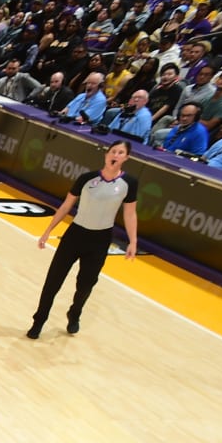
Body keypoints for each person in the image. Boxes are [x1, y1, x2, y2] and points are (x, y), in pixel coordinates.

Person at [27, 139, 139, 338]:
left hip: (100, 239)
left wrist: (133, 241)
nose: (116, 155)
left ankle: (75, 313)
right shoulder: (86, 178)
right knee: (53, 280)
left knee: (86, 284)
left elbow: (130, 214)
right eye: (113, 151)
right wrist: (47, 231)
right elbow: (66, 206)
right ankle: (39, 320)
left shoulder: (129, 183)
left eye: (121, 152)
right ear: (106, 154)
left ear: (126, 158)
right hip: (75, 235)